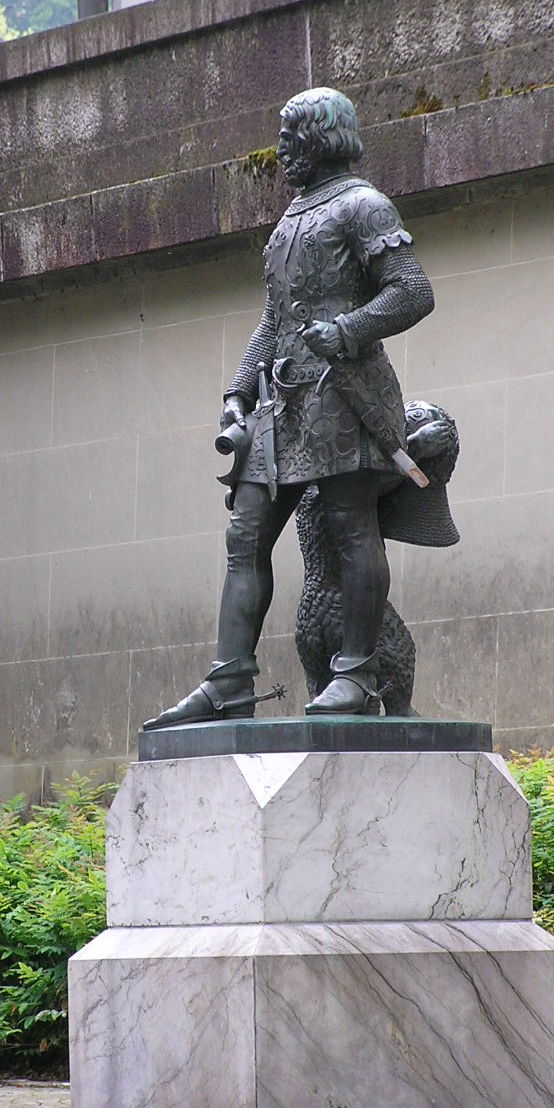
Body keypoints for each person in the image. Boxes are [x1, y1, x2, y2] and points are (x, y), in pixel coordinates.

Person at [144, 87, 435, 730]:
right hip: (281, 406)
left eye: (290, 139)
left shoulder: (363, 205)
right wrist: (237, 395)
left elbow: (413, 291)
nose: (281, 152)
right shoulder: (287, 222)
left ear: (321, 138)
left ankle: (356, 673)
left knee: (350, 528)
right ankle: (229, 680)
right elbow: (273, 321)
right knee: (245, 533)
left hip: (344, 396)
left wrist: (348, 329)